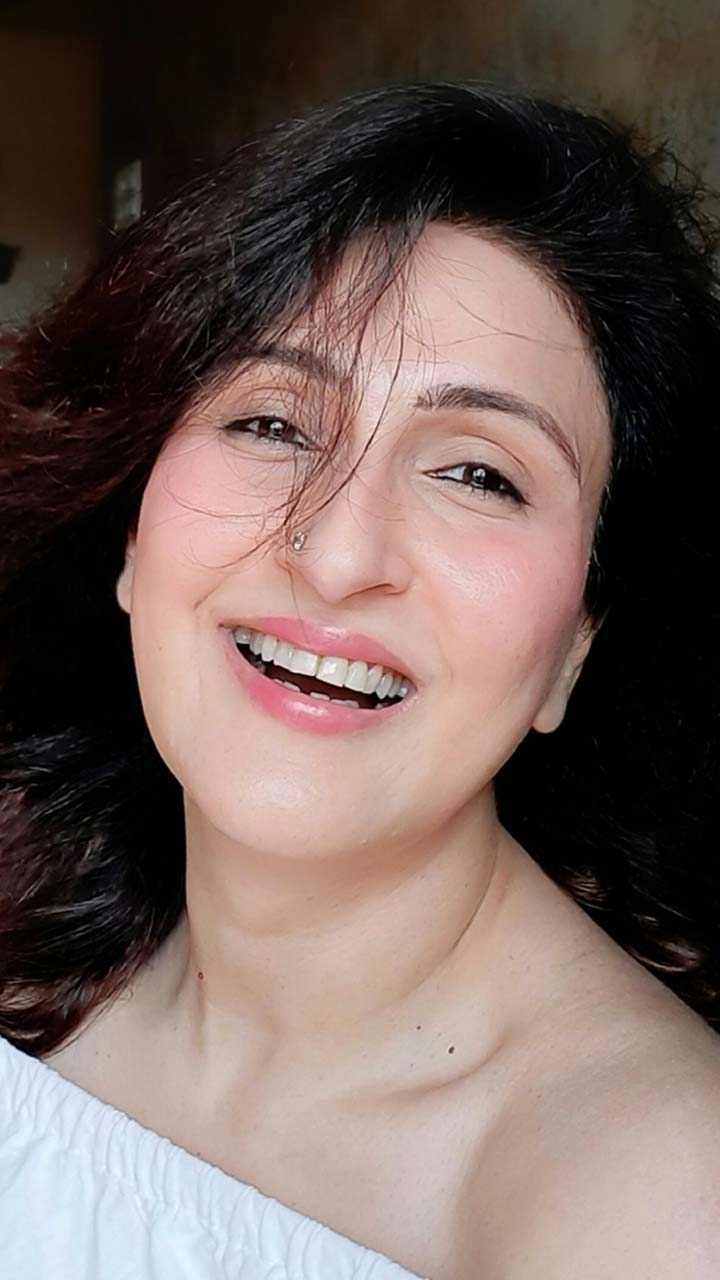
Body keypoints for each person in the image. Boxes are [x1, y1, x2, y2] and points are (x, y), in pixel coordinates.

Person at [1, 80, 719, 1280]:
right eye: (273, 424)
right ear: (131, 529)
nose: (336, 555)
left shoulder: (661, 1204)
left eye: (479, 474)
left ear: (578, 643)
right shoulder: (33, 940)